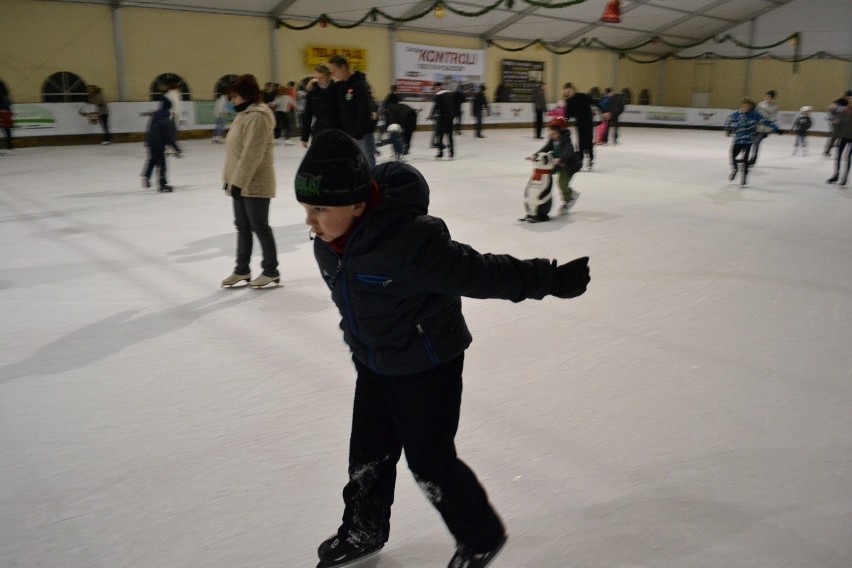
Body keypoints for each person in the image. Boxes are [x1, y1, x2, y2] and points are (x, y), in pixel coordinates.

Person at [294, 128, 591, 568]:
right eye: (306, 208)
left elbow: (480, 273)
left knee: (430, 461)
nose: (310, 221)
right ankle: (364, 529)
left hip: (427, 364)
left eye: (320, 209)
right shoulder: (330, 246)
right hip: (374, 361)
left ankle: (480, 537)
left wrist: (549, 279)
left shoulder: (409, 243)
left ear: (358, 203)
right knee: (368, 454)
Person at [220, 74, 280, 289]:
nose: (232, 101)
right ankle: (242, 269)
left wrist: (237, 182)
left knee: (259, 226)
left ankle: (271, 270)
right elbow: (234, 152)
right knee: (242, 226)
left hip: (256, 182)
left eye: (234, 97)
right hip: (241, 181)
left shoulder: (258, 117)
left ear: (246, 95)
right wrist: (229, 180)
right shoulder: (243, 115)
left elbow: (251, 154)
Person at [327, 54, 376, 169]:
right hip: (347, 133)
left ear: (343, 68)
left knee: (367, 161)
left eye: (334, 71)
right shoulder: (339, 86)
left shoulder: (359, 85)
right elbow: (323, 87)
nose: (332, 74)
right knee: (352, 163)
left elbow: (364, 112)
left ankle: (373, 184)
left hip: (362, 134)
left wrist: (356, 134)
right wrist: (314, 81)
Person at [528, 116, 582, 214]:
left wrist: (560, 158)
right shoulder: (553, 138)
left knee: (562, 183)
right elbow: (547, 147)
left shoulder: (566, 140)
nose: (552, 135)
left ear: (561, 131)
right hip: (557, 164)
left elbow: (568, 151)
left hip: (568, 166)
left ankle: (569, 198)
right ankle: (543, 198)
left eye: (554, 133)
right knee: (546, 178)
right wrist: (536, 154)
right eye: (551, 133)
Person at [724, 97, 781, 186]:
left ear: (750, 107)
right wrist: (728, 128)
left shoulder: (755, 115)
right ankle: (735, 169)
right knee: (733, 155)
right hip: (738, 140)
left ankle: (744, 177)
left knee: (745, 159)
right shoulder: (737, 114)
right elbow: (728, 119)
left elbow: (766, 121)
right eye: (742, 106)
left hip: (748, 140)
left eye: (746, 106)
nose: (744, 108)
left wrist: (776, 129)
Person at [142, 97, 181, 192]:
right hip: (159, 144)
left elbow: (149, 129)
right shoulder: (165, 119)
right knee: (162, 164)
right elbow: (168, 137)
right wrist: (176, 149)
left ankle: (146, 176)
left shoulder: (155, 115)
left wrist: (147, 141)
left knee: (152, 160)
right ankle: (162, 184)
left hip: (152, 143)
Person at [301, 64, 338, 148]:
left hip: (336, 131)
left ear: (329, 77)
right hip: (319, 130)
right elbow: (307, 114)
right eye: (316, 77)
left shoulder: (337, 89)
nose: (318, 80)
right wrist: (305, 137)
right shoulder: (313, 91)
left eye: (321, 78)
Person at [562, 83, 596, 170]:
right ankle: (580, 159)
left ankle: (590, 158)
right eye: (567, 93)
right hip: (579, 123)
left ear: (573, 89)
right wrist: (564, 122)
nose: (568, 94)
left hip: (588, 122)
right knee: (580, 142)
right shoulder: (569, 101)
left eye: (569, 92)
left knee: (588, 141)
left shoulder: (583, 96)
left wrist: (603, 110)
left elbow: (594, 102)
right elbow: (567, 114)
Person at [749, 90, 778, 165]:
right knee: (750, 142)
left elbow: (773, 118)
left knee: (756, 143)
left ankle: (753, 158)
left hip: (764, 129)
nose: (767, 98)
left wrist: (768, 129)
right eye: (766, 97)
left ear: (772, 98)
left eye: (769, 97)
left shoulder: (774, 107)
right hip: (755, 127)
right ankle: (746, 157)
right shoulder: (760, 105)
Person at [827, 103, 852, 186]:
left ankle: (844, 178)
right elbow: (836, 129)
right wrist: (831, 144)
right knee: (838, 157)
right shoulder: (842, 114)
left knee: (848, 158)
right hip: (843, 138)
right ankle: (836, 175)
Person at [429, 82, 456, 159]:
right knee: (450, 136)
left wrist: (431, 114)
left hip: (442, 116)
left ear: (438, 87)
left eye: (434, 88)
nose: (434, 90)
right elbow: (455, 104)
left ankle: (440, 153)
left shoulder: (438, 94)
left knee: (439, 135)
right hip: (450, 116)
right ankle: (451, 153)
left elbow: (436, 105)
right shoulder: (450, 93)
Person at [824, 90, 851, 157]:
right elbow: (830, 109)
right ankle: (828, 150)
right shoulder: (838, 102)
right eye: (849, 97)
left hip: (844, 122)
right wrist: (833, 118)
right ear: (845, 96)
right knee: (835, 136)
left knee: (844, 136)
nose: (850, 99)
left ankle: (840, 149)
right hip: (836, 122)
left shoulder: (849, 103)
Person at [0, 90, 14, 155]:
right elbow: (11, 113)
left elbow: (9, 113)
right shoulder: (6, 102)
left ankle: (10, 148)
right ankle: (10, 148)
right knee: (8, 134)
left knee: (8, 134)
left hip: (5, 121)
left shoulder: (4, 102)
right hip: (6, 121)